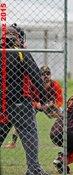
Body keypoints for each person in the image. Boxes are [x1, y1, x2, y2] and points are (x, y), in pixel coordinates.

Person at [0, 23, 50, 175]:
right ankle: (34, 169)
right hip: (19, 101)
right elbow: (35, 74)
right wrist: (44, 97)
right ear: (18, 39)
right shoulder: (21, 52)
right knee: (29, 132)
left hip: (2, 103)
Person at [3, 65, 63, 149]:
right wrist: (35, 104)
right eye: (43, 74)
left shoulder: (55, 85)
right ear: (39, 75)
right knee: (21, 118)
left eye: (48, 73)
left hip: (50, 105)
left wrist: (54, 106)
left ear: (51, 75)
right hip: (35, 105)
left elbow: (60, 100)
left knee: (64, 115)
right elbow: (27, 97)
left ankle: (61, 138)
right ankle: (13, 142)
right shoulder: (34, 83)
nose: (46, 76)